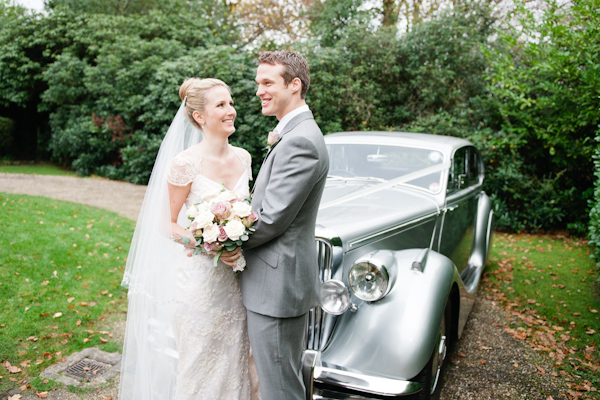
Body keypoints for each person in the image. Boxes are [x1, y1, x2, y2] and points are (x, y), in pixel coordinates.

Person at [119, 78, 259, 400]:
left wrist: (236, 234)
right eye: (221, 105)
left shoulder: (244, 158)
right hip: (201, 287)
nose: (231, 111)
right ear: (200, 116)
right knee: (200, 367)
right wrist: (207, 243)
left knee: (237, 362)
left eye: (231, 103)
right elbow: (165, 223)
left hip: (238, 284)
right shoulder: (186, 163)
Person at [237, 51, 329, 400]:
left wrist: (220, 240)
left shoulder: (300, 141)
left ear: (295, 85)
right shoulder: (294, 133)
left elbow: (272, 219)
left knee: (280, 389)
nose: (259, 90)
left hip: (276, 288)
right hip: (274, 285)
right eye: (258, 83)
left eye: (267, 82)